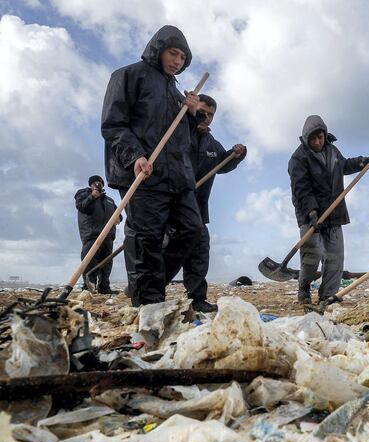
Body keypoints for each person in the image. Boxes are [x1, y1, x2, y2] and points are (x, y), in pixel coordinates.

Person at [101, 25, 204, 306]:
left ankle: (149, 286)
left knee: (191, 230)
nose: (177, 61)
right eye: (173, 53)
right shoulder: (127, 76)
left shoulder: (176, 92)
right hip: (142, 172)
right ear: (158, 50)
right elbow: (113, 125)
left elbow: (181, 139)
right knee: (147, 238)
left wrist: (192, 115)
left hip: (177, 177)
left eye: (183, 58)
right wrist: (135, 155)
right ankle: (149, 301)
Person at [164, 94, 247, 313]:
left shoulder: (212, 143)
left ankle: (196, 298)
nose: (206, 117)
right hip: (171, 205)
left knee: (200, 249)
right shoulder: (178, 132)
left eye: (211, 114)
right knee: (163, 249)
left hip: (198, 209)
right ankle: (150, 290)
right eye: (202, 111)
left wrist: (236, 155)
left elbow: (223, 164)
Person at [288, 115, 369, 303]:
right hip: (310, 214)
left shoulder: (333, 151)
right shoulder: (298, 158)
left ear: (325, 134)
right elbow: (301, 189)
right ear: (306, 138)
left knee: (335, 257)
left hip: (334, 213)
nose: (317, 142)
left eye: (320, 137)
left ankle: (327, 295)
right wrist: (312, 212)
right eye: (312, 139)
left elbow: (344, 165)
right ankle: (304, 288)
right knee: (313, 253)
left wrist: (364, 161)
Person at [74, 175, 121, 293]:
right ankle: (89, 288)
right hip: (92, 235)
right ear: (90, 185)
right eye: (95, 183)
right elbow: (82, 207)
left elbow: (118, 214)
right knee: (90, 262)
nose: (98, 184)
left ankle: (104, 287)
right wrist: (92, 196)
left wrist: (118, 218)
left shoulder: (109, 200)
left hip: (108, 236)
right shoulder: (83, 194)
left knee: (107, 263)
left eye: (100, 182)